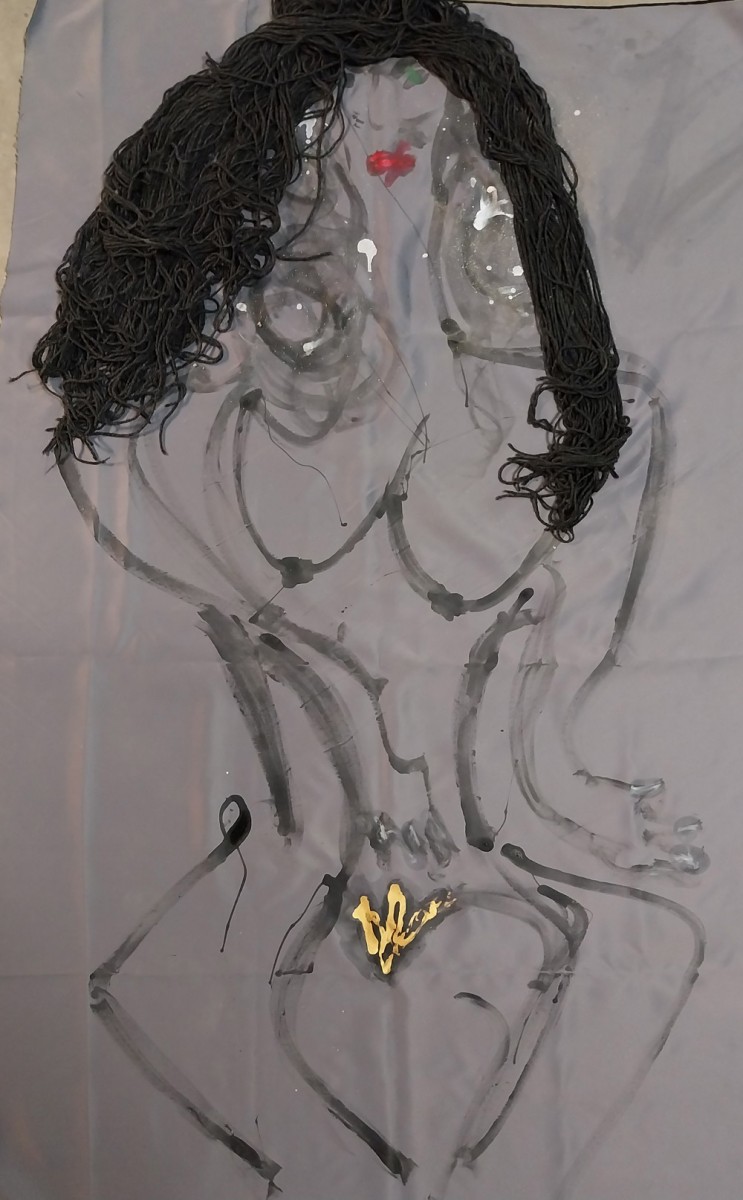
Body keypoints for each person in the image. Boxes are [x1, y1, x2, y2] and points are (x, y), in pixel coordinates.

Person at [64, 59, 707, 1200]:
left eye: (432, 165)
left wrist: (581, 806)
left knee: (650, 951)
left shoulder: (580, 417)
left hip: (482, 860)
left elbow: (539, 723)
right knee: (197, 996)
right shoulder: (209, 453)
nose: (382, 165)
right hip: (304, 868)